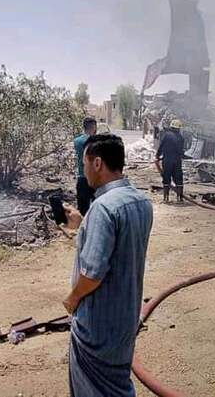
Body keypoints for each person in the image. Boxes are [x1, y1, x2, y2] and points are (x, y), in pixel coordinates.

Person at [62, 134, 153, 397]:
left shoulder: (103, 208)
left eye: (84, 164)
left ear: (98, 163)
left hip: (97, 325)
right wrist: (83, 225)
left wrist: (72, 298)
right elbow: (119, 247)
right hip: (124, 320)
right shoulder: (141, 202)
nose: (84, 171)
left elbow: (92, 274)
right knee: (116, 385)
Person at [155, 119, 185, 203]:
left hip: (167, 161)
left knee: (166, 178)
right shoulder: (181, 138)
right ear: (178, 128)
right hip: (177, 162)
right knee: (178, 179)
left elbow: (161, 146)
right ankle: (179, 198)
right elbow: (181, 151)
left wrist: (157, 156)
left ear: (171, 127)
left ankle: (166, 198)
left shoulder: (166, 135)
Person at [73, 117, 97, 215]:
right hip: (95, 179)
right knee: (96, 209)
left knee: (82, 211)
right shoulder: (96, 142)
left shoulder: (76, 141)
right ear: (94, 127)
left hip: (81, 178)